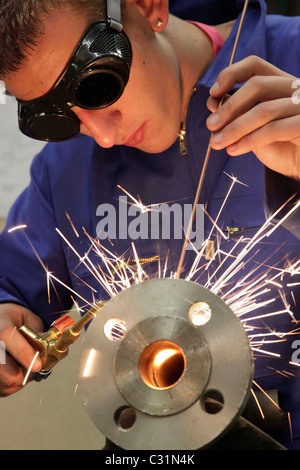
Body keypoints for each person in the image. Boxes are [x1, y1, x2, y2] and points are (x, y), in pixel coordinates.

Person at [0, 0, 299, 449]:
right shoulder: (64, 170)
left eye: (97, 86)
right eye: (55, 116)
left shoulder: (292, 61)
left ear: (146, 7)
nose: (101, 134)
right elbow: (11, 284)